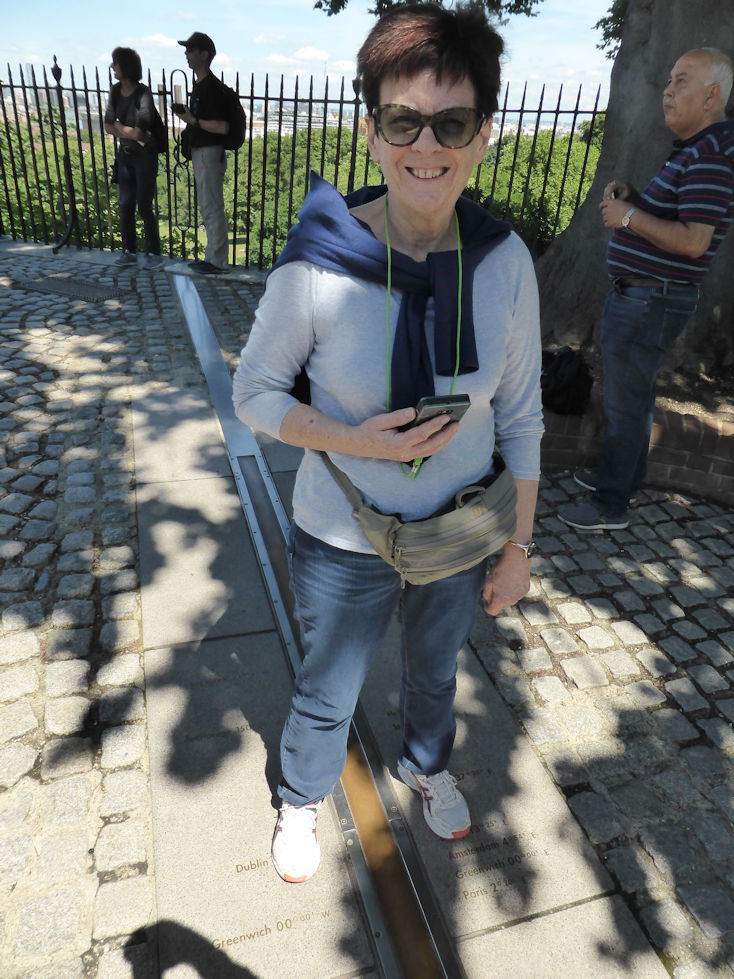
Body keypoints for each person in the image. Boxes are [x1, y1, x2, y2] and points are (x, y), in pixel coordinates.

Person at [233, 2, 543, 884]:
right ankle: (300, 795)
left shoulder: (501, 261)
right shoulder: (320, 260)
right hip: (344, 529)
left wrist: (519, 545)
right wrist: (349, 437)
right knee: (327, 686)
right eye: (404, 119)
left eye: (451, 121)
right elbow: (252, 391)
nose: (426, 143)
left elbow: (520, 414)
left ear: (483, 134)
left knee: (436, 673)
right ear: (374, 132)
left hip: (453, 532)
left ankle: (426, 764)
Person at [559, 47, 734, 532]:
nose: (668, 90)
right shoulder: (697, 151)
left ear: (712, 94)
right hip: (643, 297)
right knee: (628, 397)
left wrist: (629, 217)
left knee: (626, 402)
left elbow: (695, 242)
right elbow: (678, 219)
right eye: (669, 80)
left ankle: (611, 504)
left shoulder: (711, 157)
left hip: (650, 300)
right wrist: (635, 200)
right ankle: (621, 477)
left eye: (682, 81)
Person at [173, 31, 229, 274]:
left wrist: (192, 119)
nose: (186, 53)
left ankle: (217, 260)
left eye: (190, 49)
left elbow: (222, 126)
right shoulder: (202, 86)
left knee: (212, 205)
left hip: (209, 151)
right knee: (208, 205)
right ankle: (212, 257)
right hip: (203, 151)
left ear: (204, 54)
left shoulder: (210, 88)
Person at [104, 47, 161, 268]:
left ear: (125, 66)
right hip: (126, 156)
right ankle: (129, 251)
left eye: (115, 62)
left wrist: (120, 127)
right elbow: (109, 125)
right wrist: (125, 130)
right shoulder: (116, 91)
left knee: (144, 206)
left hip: (145, 157)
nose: (112, 67)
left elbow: (140, 131)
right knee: (125, 204)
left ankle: (153, 254)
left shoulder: (143, 93)